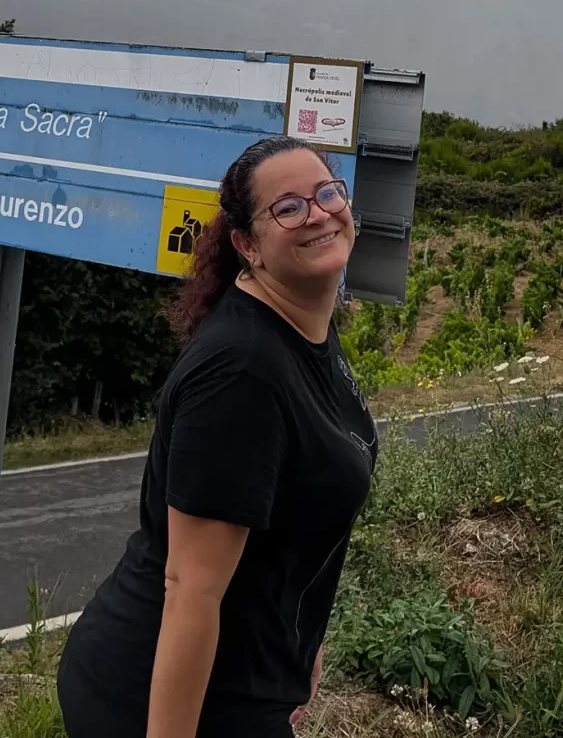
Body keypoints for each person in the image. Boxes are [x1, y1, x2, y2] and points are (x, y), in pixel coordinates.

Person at [57, 135, 378, 738]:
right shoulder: (239, 373)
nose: (318, 212)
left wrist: (301, 647)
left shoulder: (305, 329)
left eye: (327, 193)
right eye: (288, 207)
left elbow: (295, 522)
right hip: (163, 701)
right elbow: (189, 588)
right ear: (248, 246)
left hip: (247, 681)